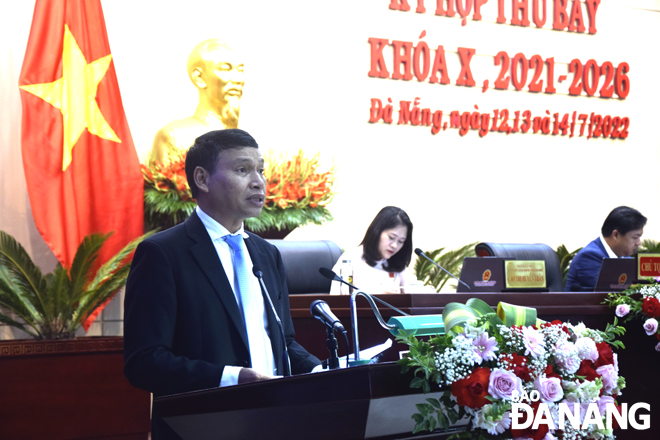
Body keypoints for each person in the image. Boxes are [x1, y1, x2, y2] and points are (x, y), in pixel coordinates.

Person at [124, 129, 321, 439]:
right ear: (202, 179)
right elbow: (145, 362)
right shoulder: (163, 254)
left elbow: (284, 342)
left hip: (275, 422)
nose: (258, 182)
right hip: (202, 427)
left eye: (261, 170)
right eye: (242, 170)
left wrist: (320, 372)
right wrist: (231, 378)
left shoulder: (267, 254)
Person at [148, 39, 245, 163]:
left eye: (240, 70)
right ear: (199, 77)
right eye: (226, 69)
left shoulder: (249, 141)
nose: (238, 79)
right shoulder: (174, 137)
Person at [330, 206, 416, 295]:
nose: (395, 245)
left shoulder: (398, 264)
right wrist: (379, 296)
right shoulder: (351, 259)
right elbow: (340, 300)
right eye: (391, 237)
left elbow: (412, 293)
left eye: (401, 241)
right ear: (377, 231)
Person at [565, 206, 647, 292]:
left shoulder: (626, 257)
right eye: (635, 237)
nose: (639, 243)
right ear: (615, 235)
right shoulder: (589, 257)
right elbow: (612, 292)